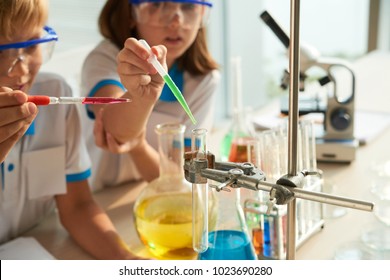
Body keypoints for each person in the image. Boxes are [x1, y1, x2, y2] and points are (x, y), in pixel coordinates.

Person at [0, 0, 143, 260]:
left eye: (32, 45)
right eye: (0, 51)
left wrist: (127, 262)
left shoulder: (56, 95)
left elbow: (77, 206)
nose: (20, 70)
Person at [81, 0, 220, 190]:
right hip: (101, 196)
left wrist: (139, 147)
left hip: (156, 192)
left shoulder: (203, 79)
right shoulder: (105, 59)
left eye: (188, 6)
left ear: (203, 14)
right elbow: (113, 131)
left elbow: (185, 176)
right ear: (131, 13)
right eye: (157, 4)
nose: (176, 21)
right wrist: (141, 98)